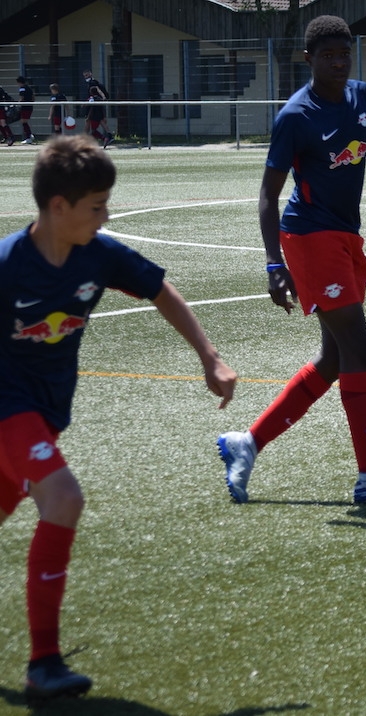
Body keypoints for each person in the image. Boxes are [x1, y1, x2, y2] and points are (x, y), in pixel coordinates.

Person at [0, 135, 238, 703]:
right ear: (59, 206)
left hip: (48, 411)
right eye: (97, 206)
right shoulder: (9, 265)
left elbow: (160, 290)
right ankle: (44, 663)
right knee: (64, 498)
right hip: (7, 405)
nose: (106, 216)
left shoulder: (98, 255)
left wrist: (209, 357)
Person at [216, 15, 366, 506]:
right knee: (357, 344)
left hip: (346, 236)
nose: (338, 62)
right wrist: (273, 263)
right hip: (309, 236)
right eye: (327, 55)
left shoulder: (362, 96)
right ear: (309, 59)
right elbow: (267, 196)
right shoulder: (295, 116)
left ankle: (249, 442)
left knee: (333, 358)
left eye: (344, 53)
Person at [16, 76, 35, 145]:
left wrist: (17, 104)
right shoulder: (29, 88)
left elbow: (22, 98)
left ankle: (29, 137)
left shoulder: (22, 88)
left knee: (24, 121)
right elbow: (33, 97)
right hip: (30, 106)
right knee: (24, 121)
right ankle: (29, 135)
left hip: (25, 107)